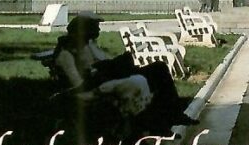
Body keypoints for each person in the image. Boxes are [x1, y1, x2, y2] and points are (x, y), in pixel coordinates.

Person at [52, 13, 194, 135]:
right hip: (99, 83)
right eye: (95, 27)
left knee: (159, 67)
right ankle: (164, 119)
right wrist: (101, 71)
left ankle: (173, 114)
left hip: (107, 75)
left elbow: (101, 61)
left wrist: (114, 63)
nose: (99, 29)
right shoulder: (67, 54)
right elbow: (79, 83)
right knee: (153, 74)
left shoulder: (86, 45)